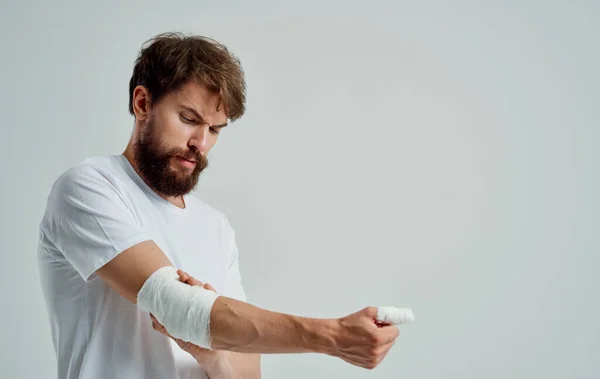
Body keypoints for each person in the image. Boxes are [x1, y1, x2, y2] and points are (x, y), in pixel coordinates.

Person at [37, 32, 401, 379]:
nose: (201, 142)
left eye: (215, 129)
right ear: (142, 103)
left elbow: (245, 373)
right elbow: (174, 305)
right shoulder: (89, 186)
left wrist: (211, 354)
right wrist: (331, 336)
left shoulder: (216, 227)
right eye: (189, 119)